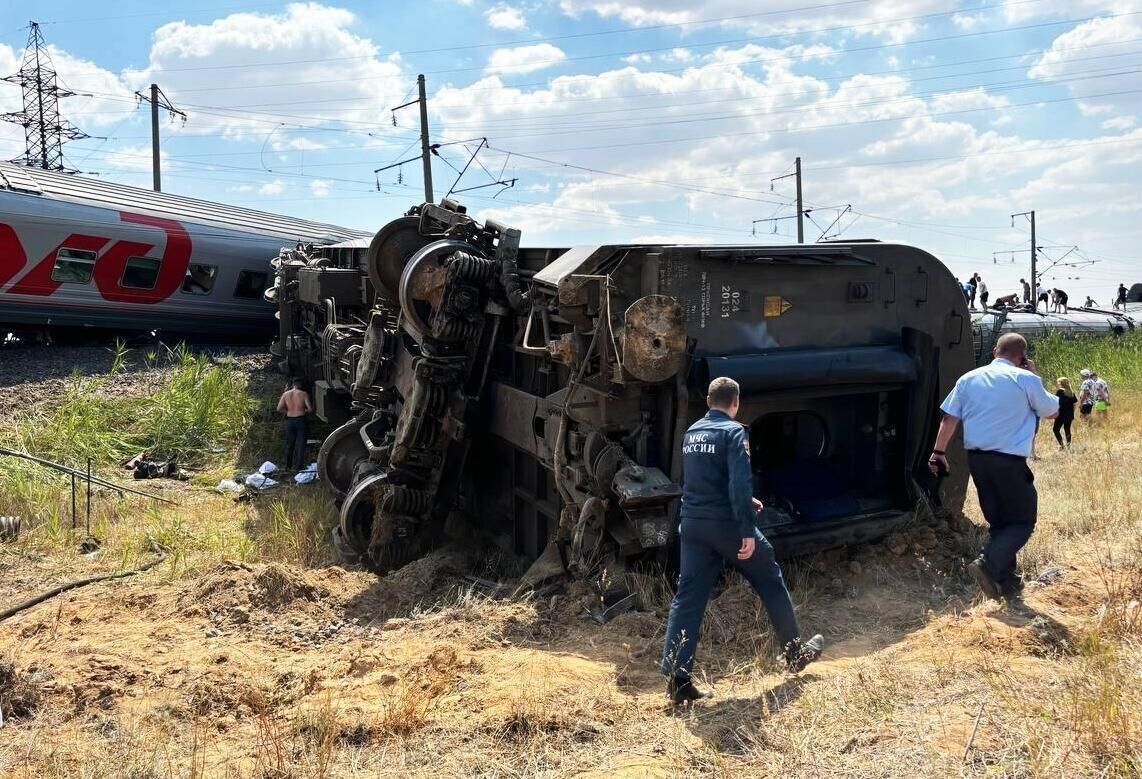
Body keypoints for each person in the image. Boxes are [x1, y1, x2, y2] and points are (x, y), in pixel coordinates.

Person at [661, 377, 823, 704]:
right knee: (770, 580)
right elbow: (738, 481)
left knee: (688, 598)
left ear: (708, 402)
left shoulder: (692, 433)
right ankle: (794, 654)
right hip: (726, 526)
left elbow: (699, 481)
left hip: (692, 524)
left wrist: (745, 501)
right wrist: (747, 529)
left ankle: (677, 681)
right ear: (735, 403)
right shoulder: (734, 432)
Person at [929, 333, 1058, 601]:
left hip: (977, 460)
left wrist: (938, 452)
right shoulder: (1026, 379)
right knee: (1023, 521)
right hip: (1009, 461)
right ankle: (988, 564)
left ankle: (1005, 581)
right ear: (1021, 357)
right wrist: (1035, 375)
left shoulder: (969, 379)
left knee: (1000, 521)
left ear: (994, 352)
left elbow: (949, 418)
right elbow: (1052, 411)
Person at [276, 378, 313, 471]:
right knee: (301, 444)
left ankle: (288, 466)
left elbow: (279, 409)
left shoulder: (286, 394)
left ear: (293, 384)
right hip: (301, 420)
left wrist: (288, 411)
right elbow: (310, 409)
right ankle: (299, 467)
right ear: (300, 384)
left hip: (290, 421)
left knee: (290, 444)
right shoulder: (303, 394)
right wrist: (304, 410)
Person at [1054, 377, 1077, 449]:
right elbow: (1074, 404)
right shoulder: (1071, 392)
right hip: (1069, 414)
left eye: (1059, 383)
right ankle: (1068, 446)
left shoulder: (1060, 391)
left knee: (1055, 429)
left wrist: (1055, 412)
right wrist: (1072, 412)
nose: (1058, 384)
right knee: (1067, 429)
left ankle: (1062, 445)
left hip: (1060, 414)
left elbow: (1056, 402)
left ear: (1061, 384)